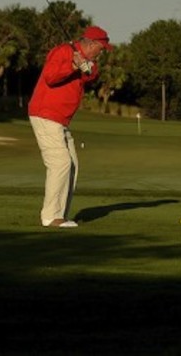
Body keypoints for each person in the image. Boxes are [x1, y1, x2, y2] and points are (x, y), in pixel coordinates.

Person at [28, 24, 113, 228]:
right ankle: (51, 216)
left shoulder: (87, 59)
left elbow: (92, 75)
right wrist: (74, 66)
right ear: (91, 44)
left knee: (72, 164)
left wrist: (85, 67)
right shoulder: (63, 51)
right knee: (60, 163)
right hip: (45, 113)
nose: (101, 53)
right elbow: (51, 76)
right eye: (100, 49)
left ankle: (61, 215)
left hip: (60, 120)